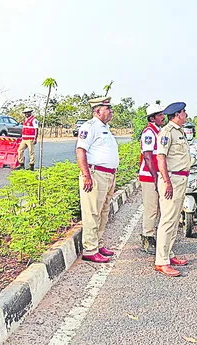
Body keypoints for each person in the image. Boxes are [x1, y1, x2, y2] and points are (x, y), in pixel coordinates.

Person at [75, 96, 119, 263]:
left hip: (108, 175)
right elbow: (80, 151)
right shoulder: (90, 126)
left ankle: (97, 243)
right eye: (108, 109)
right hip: (95, 174)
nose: (111, 111)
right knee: (92, 212)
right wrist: (86, 175)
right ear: (98, 111)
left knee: (103, 212)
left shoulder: (105, 128)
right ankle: (90, 249)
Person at [154, 102, 191, 277]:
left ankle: (169, 254)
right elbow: (160, 157)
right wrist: (167, 181)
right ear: (176, 115)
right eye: (183, 112)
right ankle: (161, 261)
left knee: (175, 219)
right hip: (172, 179)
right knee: (168, 219)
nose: (186, 114)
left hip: (180, 178)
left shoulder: (179, 131)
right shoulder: (166, 132)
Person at [138, 102, 165, 255]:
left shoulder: (157, 131)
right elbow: (148, 157)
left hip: (155, 175)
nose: (163, 117)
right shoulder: (149, 133)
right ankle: (147, 238)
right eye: (160, 115)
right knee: (151, 208)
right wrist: (155, 178)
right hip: (149, 176)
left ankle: (151, 236)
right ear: (153, 118)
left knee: (156, 207)